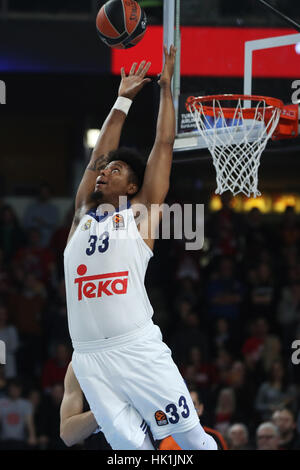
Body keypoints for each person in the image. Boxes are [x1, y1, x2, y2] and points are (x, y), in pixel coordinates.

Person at [63, 45, 217, 451]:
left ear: (132, 187)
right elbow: (97, 156)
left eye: (117, 171)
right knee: (133, 454)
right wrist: (122, 100)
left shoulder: (140, 218)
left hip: (137, 349)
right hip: (90, 358)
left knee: (193, 443)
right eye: (104, 170)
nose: (104, 173)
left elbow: (163, 146)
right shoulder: (80, 218)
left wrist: (166, 90)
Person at [158, 389, 228, 450]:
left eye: (193, 404)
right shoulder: (167, 442)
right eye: (184, 404)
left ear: (200, 409)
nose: (188, 408)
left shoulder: (215, 437)